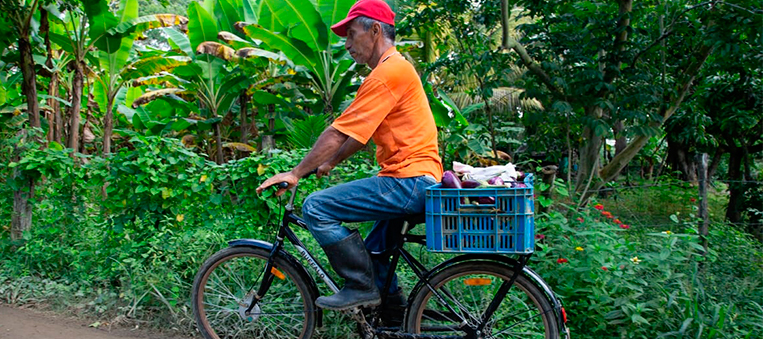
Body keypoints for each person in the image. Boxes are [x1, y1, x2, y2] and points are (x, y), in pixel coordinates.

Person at [256, 0, 442, 314]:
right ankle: (394, 320)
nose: (347, 45)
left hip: (408, 182)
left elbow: (338, 132)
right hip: (414, 179)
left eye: (352, 35)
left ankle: (360, 287)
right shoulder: (395, 70)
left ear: (375, 30)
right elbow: (359, 135)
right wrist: (329, 162)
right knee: (375, 252)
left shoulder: (387, 73)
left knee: (316, 206)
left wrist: (296, 173)